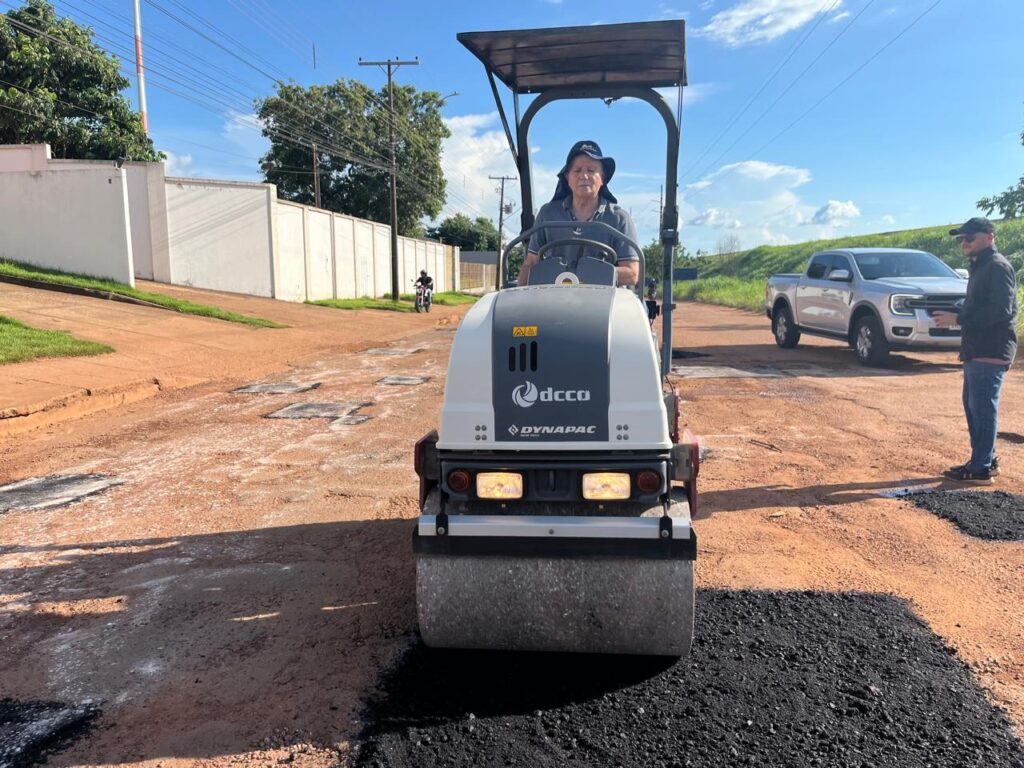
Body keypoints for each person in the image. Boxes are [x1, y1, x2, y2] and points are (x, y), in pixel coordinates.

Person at [933, 217, 1017, 485]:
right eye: (961, 239)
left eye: (970, 237)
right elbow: (979, 305)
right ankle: (984, 460)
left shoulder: (996, 266)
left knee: (982, 407)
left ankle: (980, 467)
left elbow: (1001, 311)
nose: (964, 243)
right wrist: (959, 312)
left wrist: (957, 319)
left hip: (990, 348)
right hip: (977, 349)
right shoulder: (982, 266)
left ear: (990, 237)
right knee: (975, 407)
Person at [517, 140, 640, 287]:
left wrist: (585, 274)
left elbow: (632, 273)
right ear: (567, 177)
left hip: (602, 301)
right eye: (577, 170)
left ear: (603, 177)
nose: (584, 176)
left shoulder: (619, 219)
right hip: (552, 300)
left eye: (591, 170)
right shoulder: (547, 214)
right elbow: (531, 262)